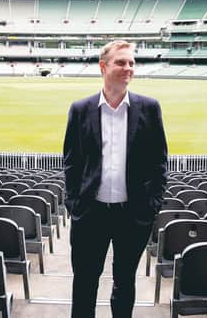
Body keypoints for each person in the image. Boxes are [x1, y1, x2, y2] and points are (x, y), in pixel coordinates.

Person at [63, 40, 168, 318]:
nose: (129, 68)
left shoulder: (149, 108)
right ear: (103, 66)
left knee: (125, 282)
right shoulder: (80, 109)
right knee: (85, 283)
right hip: (90, 214)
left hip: (132, 216)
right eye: (121, 62)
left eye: (132, 63)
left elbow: (159, 162)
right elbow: (71, 162)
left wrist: (152, 205)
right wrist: (74, 204)